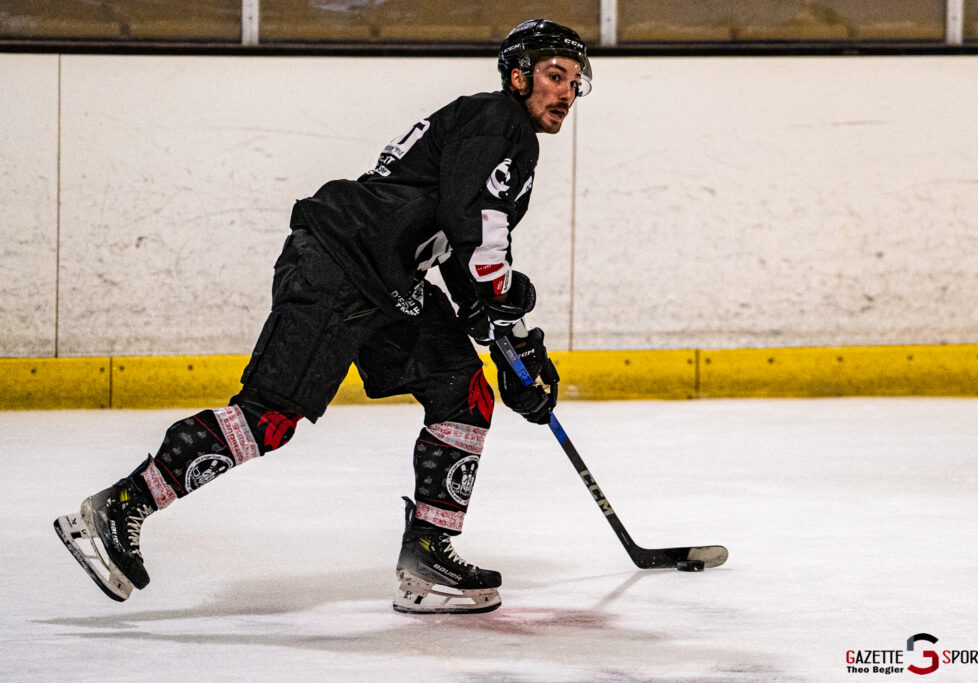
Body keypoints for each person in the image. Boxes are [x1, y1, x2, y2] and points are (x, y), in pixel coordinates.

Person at [53, 19, 592, 615]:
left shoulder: (498, 133)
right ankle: (120, 506)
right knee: (268, 419)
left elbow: (465, 257)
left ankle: (427, 558)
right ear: (518, 78)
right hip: (340, 262)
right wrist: (508, 305)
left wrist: (515, 349)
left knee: (463, 393)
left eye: (575, 81)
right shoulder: (500, 122)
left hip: (388, 278)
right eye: (553, 75)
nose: (566, 92)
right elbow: (477, 234)